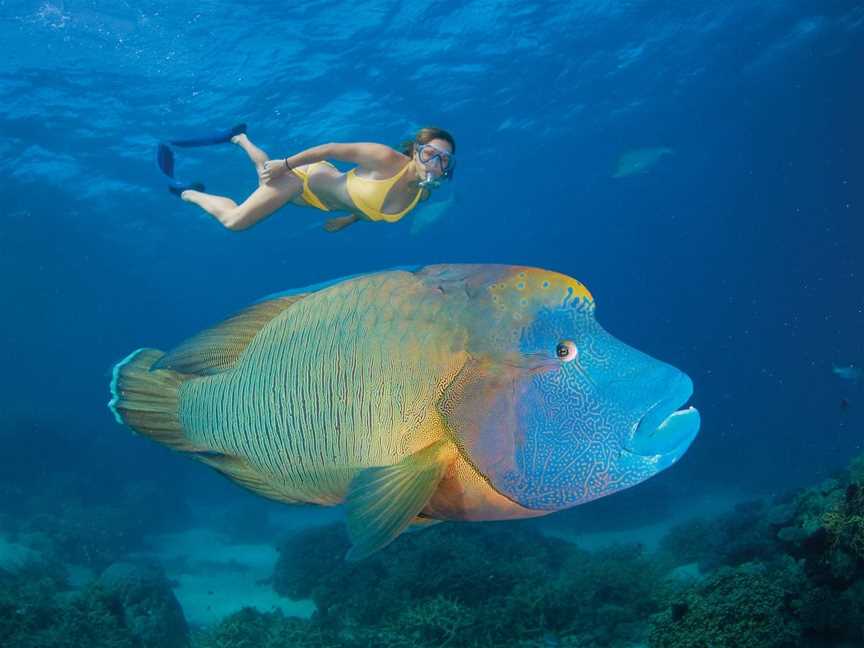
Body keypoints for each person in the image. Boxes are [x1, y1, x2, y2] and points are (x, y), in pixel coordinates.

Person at [170, 126, 455, 233]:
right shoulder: (385, 158)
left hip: (312, 200)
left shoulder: (423, 193)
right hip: (302, 179)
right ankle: (188, 193)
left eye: (444, 159)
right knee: (235, 222)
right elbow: (331, 148)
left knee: (263, 175)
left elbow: (372, 205)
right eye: (430, 153)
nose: (436, 163)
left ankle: (240, 138)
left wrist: (348, 220)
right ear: (416, 151)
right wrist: (286, 164)